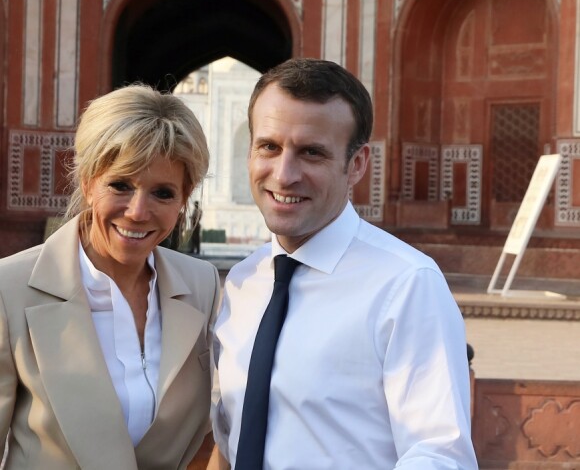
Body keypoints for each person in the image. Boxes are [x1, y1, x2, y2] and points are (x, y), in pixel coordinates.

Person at [211, 58, 478, 469]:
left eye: (311, 153)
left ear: (356, 165)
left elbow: (439, 455)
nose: (284, 174)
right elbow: (231, 439)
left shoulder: (404, 285)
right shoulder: (245, 282)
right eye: (269, 147)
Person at [0, 84, 220, 469]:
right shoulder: (11, 289)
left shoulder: (202, 286)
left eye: (163, 193)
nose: (138, 211)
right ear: (87, 182)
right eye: (120, 185)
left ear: (184, 199)